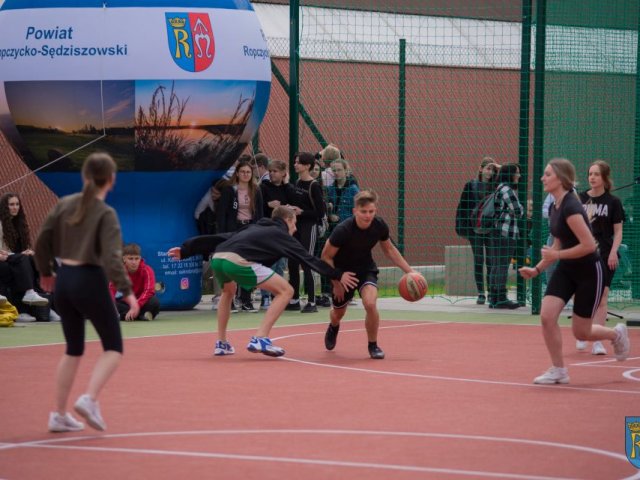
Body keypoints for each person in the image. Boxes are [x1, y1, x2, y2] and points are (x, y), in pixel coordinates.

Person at [34, 152, 139, 432]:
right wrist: (127, 292)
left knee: (73, 348)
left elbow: (42, 239)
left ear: (84, 177)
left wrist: (45, 271)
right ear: (111, 180)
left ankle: (58, 414)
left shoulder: (65, 204)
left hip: (64, 280)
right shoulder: (105, 214)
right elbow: (112, 257)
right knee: (113, 347)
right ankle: (89, 399)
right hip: (89, 279)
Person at [168, 205, 358, 357]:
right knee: (286, 291)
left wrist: (187, 249)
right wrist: (337, 274)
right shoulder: (281, 234)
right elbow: (309, 259)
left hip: (218, 258)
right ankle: (260, 338)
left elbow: (223, 237)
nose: (296, 228)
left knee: (228, 292)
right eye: (295, 223)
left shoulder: (256, 226)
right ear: (288, 220)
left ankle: (222, 343)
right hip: (238, 261)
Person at [519, 158, 629, 385]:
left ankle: (616, 334)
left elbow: (590, 245)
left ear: (560, 178)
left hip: (590, 271)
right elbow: (558, 242)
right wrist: (537, 269)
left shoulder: (571, 206)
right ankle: (559, 369)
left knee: (581, 332)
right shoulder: (554, 205)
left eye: (547, 174)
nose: (543, 178)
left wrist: (556, 256)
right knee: (547, 316)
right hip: (567, 269)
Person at [321, 190, 417, 359]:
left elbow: (389, 249)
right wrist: (337, 280)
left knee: (370, 304)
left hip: (366, 269)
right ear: (355, 211)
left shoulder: (379, 225)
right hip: (342, 272)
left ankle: (373, 345)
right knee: (338, 313)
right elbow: (326, 257)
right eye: (363, 211)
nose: (368, 215)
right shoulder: (343, 230)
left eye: (371, 211)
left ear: (375, 210)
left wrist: (409, 271)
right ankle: (334, 326)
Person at [576, 160, 625, 356]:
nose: (592, 177)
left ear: (604, 177)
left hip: (605, 254)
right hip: (583, 253)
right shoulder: (579, 199)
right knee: (582, 294)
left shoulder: (613, 202)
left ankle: (597, 340)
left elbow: (618, 231)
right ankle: (582, 333)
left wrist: (614, 251)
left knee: (603, 296)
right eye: (590, 174)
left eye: (596, 174)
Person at [217, 157, 264, 312]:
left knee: (248, 264)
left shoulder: (256, 190)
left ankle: (245, 299)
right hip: (233, 229)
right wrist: (223, 234)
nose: (245, 174)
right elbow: (222, 213)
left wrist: (258, 230)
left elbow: (260, 213)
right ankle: (229, 300)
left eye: (248, 172)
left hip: (249, 229)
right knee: (231, 264)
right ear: (237, 173)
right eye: (242, 172)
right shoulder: (230, 190)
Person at [454, 157, 499, 304]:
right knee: (478, 260)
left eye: (492, 170)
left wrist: (499, 167)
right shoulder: (471, 185)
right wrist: (465, 228)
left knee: (491, 261)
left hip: (491, 229)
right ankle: (481, 293)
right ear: (481, 169)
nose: (490, 172)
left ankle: (492, 292)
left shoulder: (497, 186)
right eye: (488, 168)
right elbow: (463, 207)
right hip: (475, 229)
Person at [286, 152, 326, 313]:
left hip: (309, 227)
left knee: (306, 262)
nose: (295, 165)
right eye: (295, 162)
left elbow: (320, 212)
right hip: (296, 226)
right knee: (292, 261)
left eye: (299, 163)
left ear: (307, 166)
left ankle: (311, 301)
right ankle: (294, 299)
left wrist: (302, 212)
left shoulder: (314, 186)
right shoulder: (296, 182)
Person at [0, 193, 50, 310]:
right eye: (11, 204)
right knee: (23, 260)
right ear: (4, 207)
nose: (15, 207)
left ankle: (48, 304)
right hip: (4, 259)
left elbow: (18, 251)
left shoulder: (19, 225)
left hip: (13, 259)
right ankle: (29, 294)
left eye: (17, 204)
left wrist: (28, 252)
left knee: (34, 259)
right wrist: (20, 255)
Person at [259, 159, 294, 310]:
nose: (272, 174)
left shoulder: (287, 188)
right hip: (268, 231)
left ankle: (277, 295)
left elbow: (292, 200)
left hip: (283, 232)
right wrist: (268, 205)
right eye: (270, 171)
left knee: (280, 264)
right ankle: (265, 297)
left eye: (275, 171)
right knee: (268, 264)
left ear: (283, 173)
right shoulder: (264, 187)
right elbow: (258, 205)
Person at [488, 163, 523, 309]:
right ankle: (501, 298)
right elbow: (519, 210)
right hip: (505, 232)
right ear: (510, 175)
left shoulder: (499, 187)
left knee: (496, 265)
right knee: (502, 265)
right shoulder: (507, 189)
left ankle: (494, 298)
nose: (519, 176)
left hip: (497, 231)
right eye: (517, 173)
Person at [109, 243, 160, 321]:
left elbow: (149, 291)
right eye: (131, 258)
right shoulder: (119, 272)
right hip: (126, 304)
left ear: (140, 258)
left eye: (137, 258)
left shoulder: (147, 270)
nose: (134, 262)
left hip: (142, 303)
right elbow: (111, 290)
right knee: (112, 304)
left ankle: (128, 316)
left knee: (154, 302)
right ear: (124, 259)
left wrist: (136, 306)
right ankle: (140, 316)